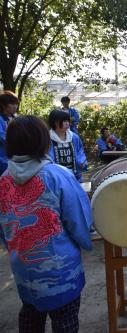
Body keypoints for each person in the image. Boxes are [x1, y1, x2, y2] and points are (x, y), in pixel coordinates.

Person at [0, 115, 93, 333]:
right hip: (62, 272)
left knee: (31, 317)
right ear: (44, 141)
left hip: (24, 269)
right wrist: (86, 242)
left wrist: (15, 248)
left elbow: (5, 229)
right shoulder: (57, 175)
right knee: (65, 322)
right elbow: (79, 219)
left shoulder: (3, 180)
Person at [48, 110, 87, 182]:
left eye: (68, 121)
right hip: (56, 179)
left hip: (75, 176)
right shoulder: (47, 139)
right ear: (55, 122)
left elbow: (80, 152)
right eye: (64, 121)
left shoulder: (74, 137)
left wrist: (81, 162)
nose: (68, 124)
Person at [0, 91, 19, 175]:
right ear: (3, 105)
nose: (15, 106)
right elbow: (3, 137)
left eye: (16, 103)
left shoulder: (14, 118)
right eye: (12, 103)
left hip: (14, 159)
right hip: (2, 159)